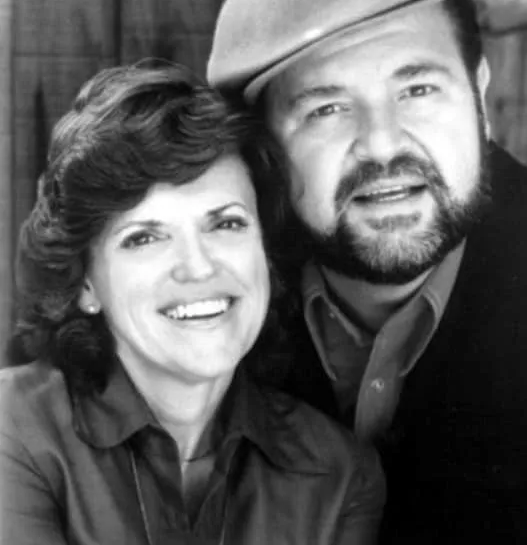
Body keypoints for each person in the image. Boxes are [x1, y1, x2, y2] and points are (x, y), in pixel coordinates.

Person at [207, 0, 527, 543]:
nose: (381, 145)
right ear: (266, 147)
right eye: (326, 108)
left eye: (419, 90)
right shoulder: (211, 286)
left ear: (479, 95)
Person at [0, 63, 385, 544]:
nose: (198, 267)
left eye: (226, 224)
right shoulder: (13, 429)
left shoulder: (340, 474)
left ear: (264, 252)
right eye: (144, 238)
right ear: (86, 285)